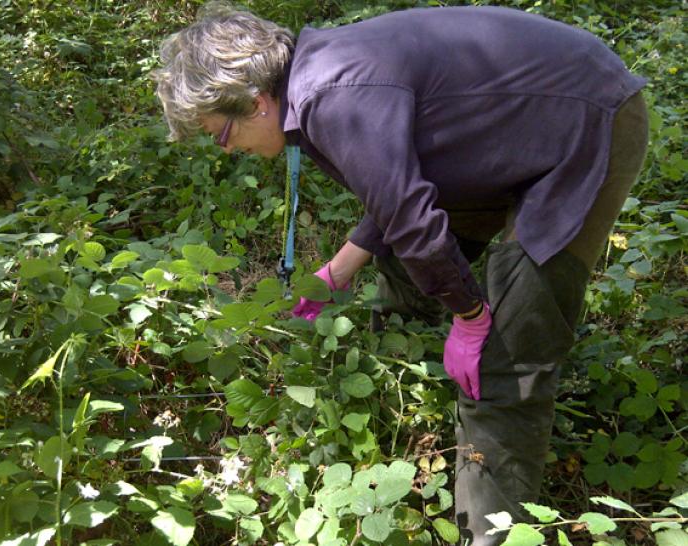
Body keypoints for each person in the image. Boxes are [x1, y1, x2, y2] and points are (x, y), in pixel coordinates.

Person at [152, 3, 648, 544]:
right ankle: (402, 414)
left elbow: (410, 217)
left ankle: (491, 534)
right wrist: (338, 271)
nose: (226, 151)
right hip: (507, 141)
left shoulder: (330, 94)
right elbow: (395, 190)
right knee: (404, 268)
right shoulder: (318, 82)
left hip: (587, 122)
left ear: (255, 101)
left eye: (220, 135)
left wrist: (472, 318)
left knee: (506, 358)